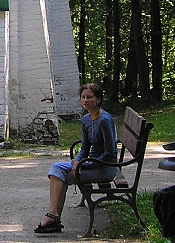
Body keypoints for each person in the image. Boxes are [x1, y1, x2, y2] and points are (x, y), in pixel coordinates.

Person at [34, 83, 118, 234]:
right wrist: (78, 160)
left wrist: (83, 164)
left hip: (104, 168)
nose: (85, 100)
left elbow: (110, 153)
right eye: (83, 97)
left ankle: (52, 217)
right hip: (89, 164)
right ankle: (53, 217)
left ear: (98, 100)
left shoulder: (105, 120)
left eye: (89, 97)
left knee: (60, 173)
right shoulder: (86, 119)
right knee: (57, 171)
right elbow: (85, 147)